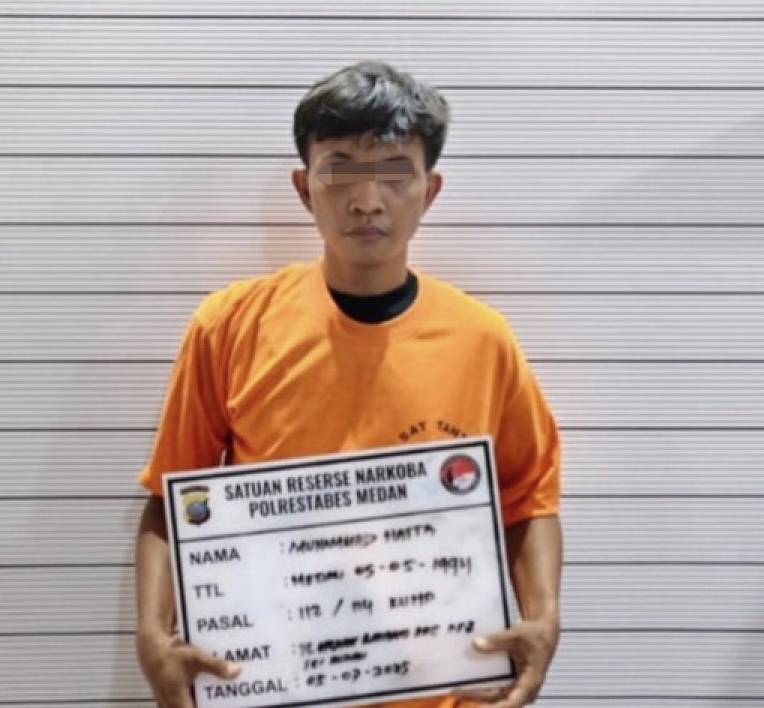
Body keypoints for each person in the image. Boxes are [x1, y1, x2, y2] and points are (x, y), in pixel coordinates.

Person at [135, 60, 563, 708]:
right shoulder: (229, 327)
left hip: (439, 693)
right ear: (305, 188)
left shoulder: (483, 340)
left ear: (430, 190)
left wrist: (545, 617)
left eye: (395, 173)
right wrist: (152, 636)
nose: (367, 200)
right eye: (339, 171)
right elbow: (173, 499)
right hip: (274, 687)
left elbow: (529, 497)